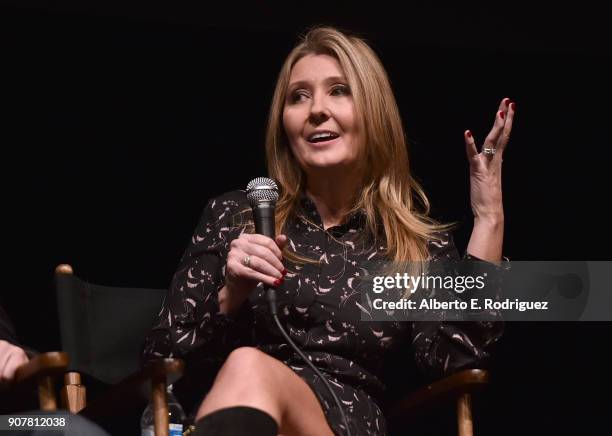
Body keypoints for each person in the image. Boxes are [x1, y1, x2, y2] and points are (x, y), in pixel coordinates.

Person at [142, 26, 514, 436]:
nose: (316, 109)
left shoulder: (415, 242)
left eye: (338, 90)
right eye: (298, 96)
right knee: (246, 369)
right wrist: (231, 295)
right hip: (240, 415)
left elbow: (456, 358)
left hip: (346, 423)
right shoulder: (236, 214)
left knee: (249, 364)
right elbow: (161, 367)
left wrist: (488, 217)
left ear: (374, 111)